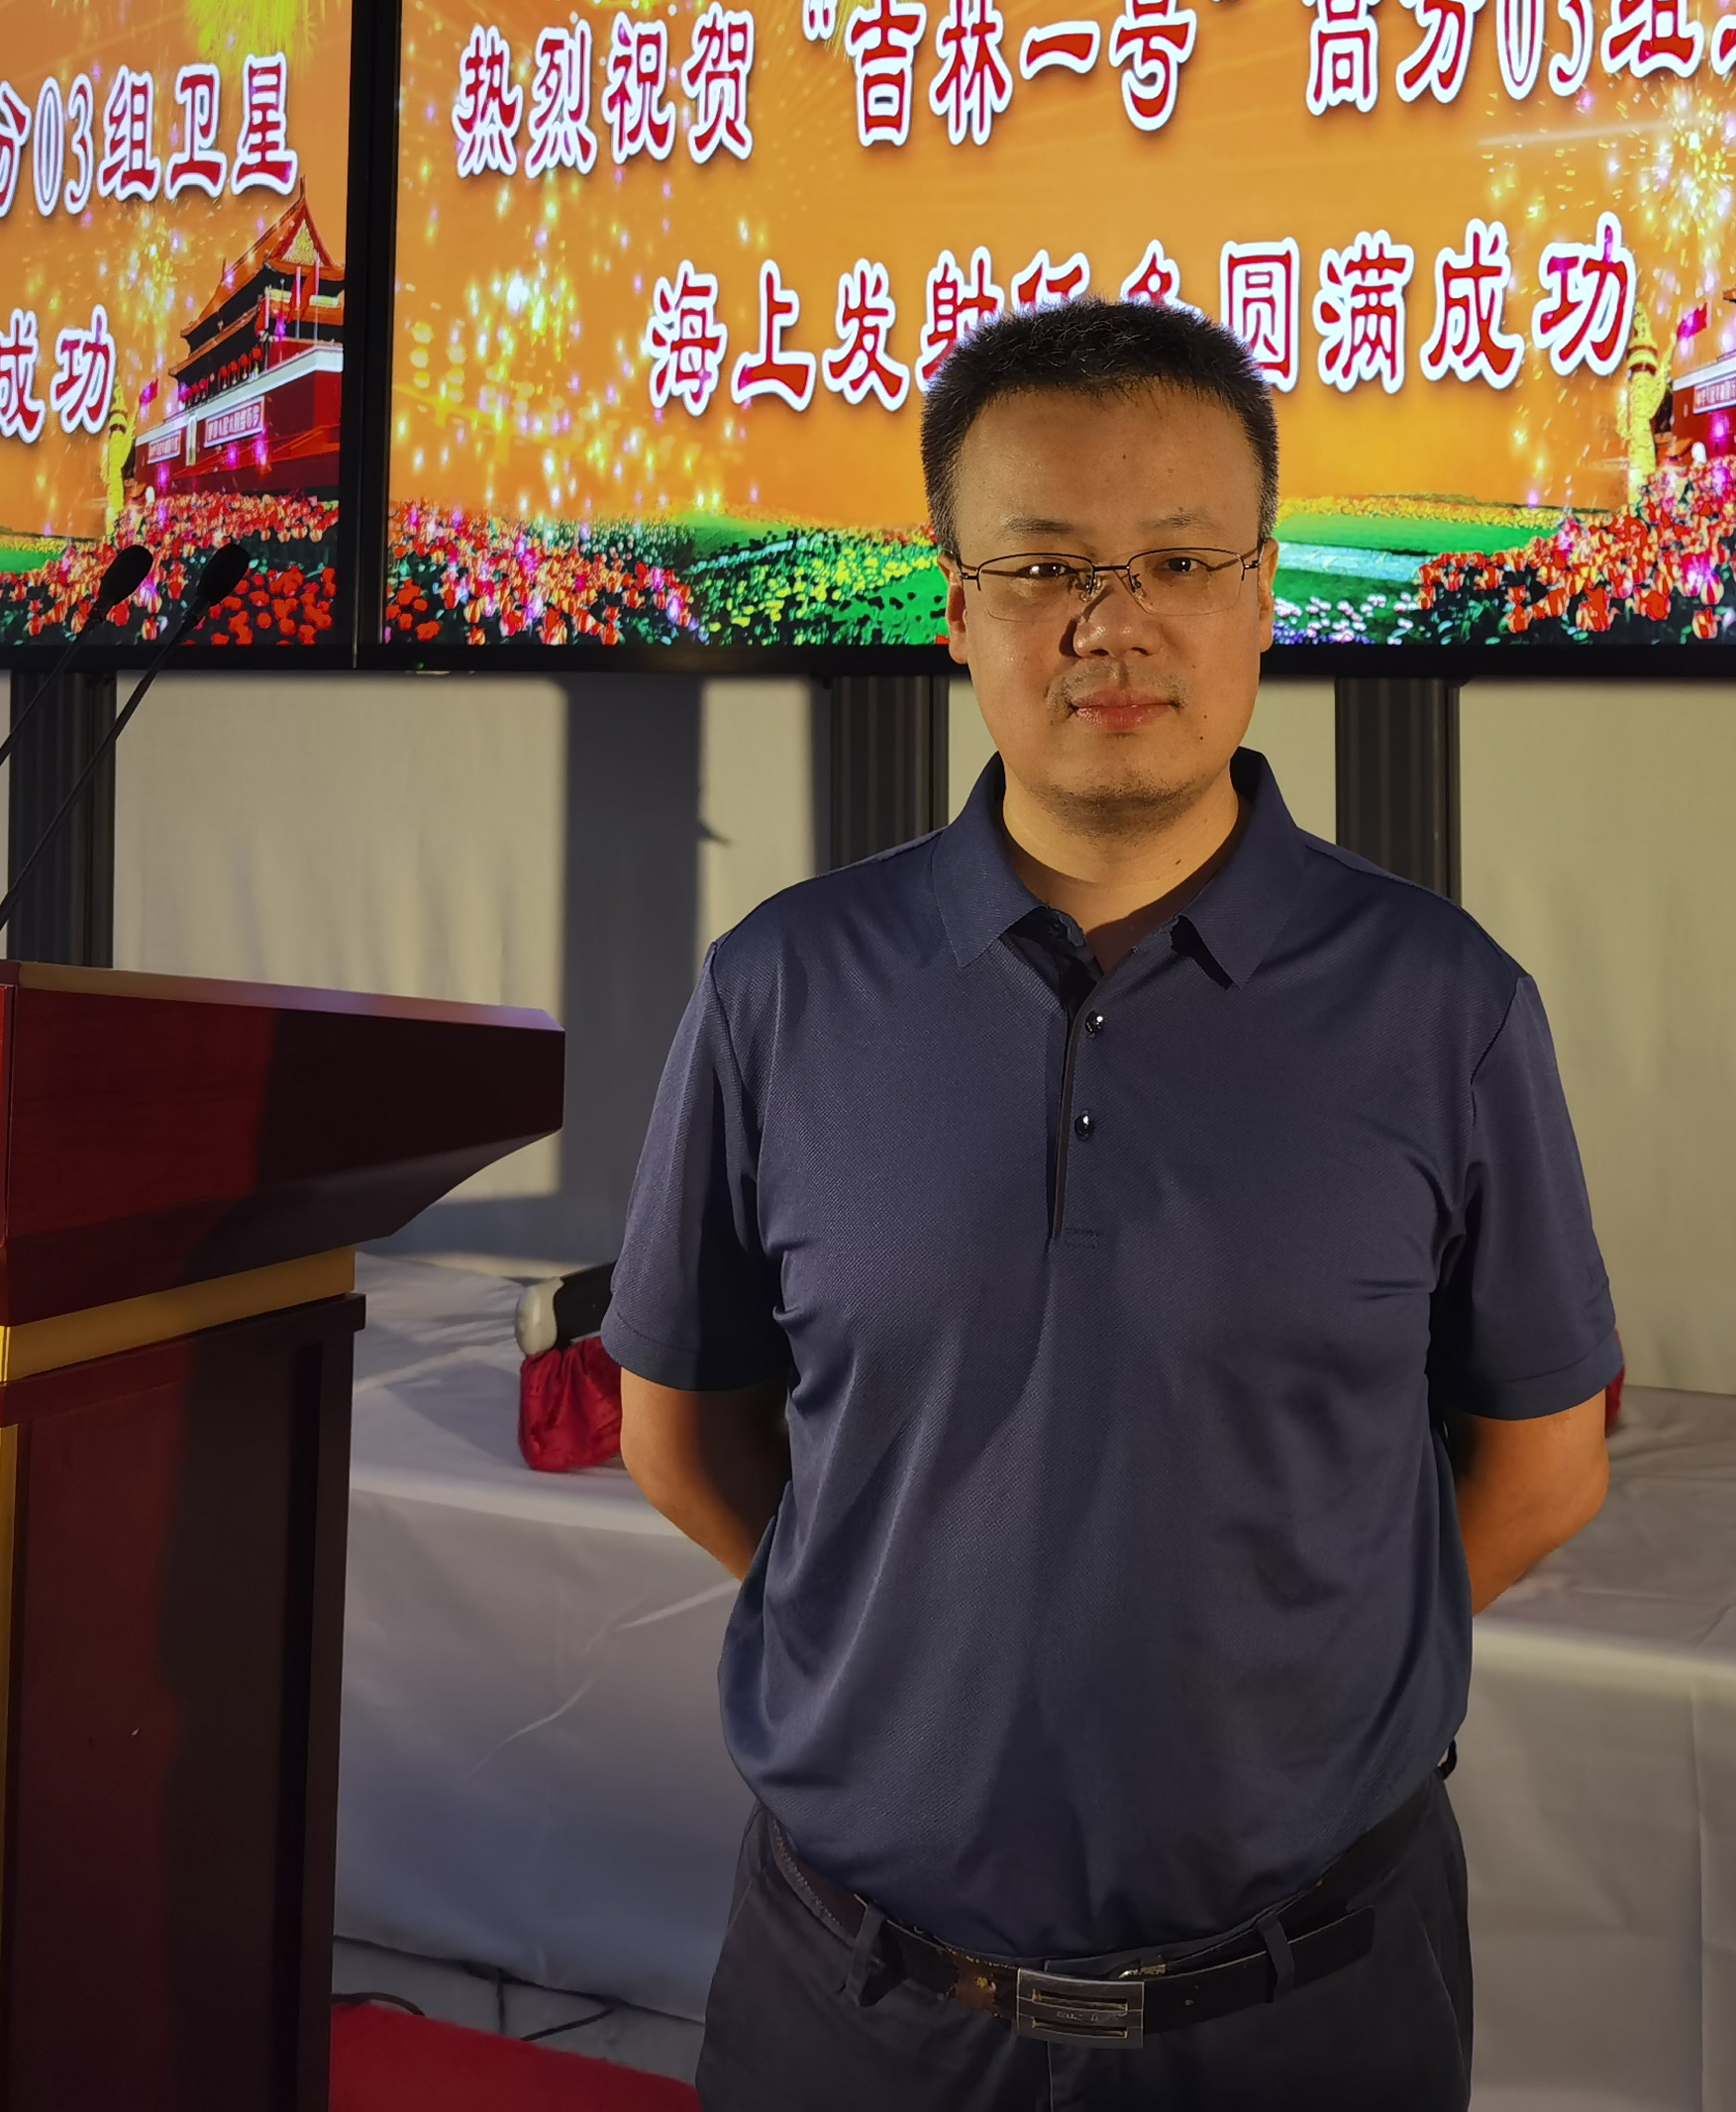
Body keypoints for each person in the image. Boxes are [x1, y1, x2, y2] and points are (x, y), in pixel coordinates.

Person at [609, 297, 1620, 2108]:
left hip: (1310, 2007)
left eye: (1178, 560)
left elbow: (1543, 1470)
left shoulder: (1444, 1004)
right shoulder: (782, 988)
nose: (1112, 623)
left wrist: (1296, 1676)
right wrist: (903, 1638)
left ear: (1263, 590)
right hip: (860, 2003)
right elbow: (681, 1436)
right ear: (954, 606)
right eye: (1042, 568)